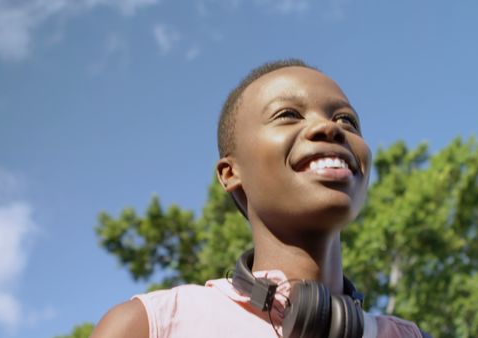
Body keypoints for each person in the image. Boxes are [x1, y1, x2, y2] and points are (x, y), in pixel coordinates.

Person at [91, 59, 427, 338]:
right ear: (230, 173)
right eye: (288, 115)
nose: (329, 128)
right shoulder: (147, 326)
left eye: (347, 120)